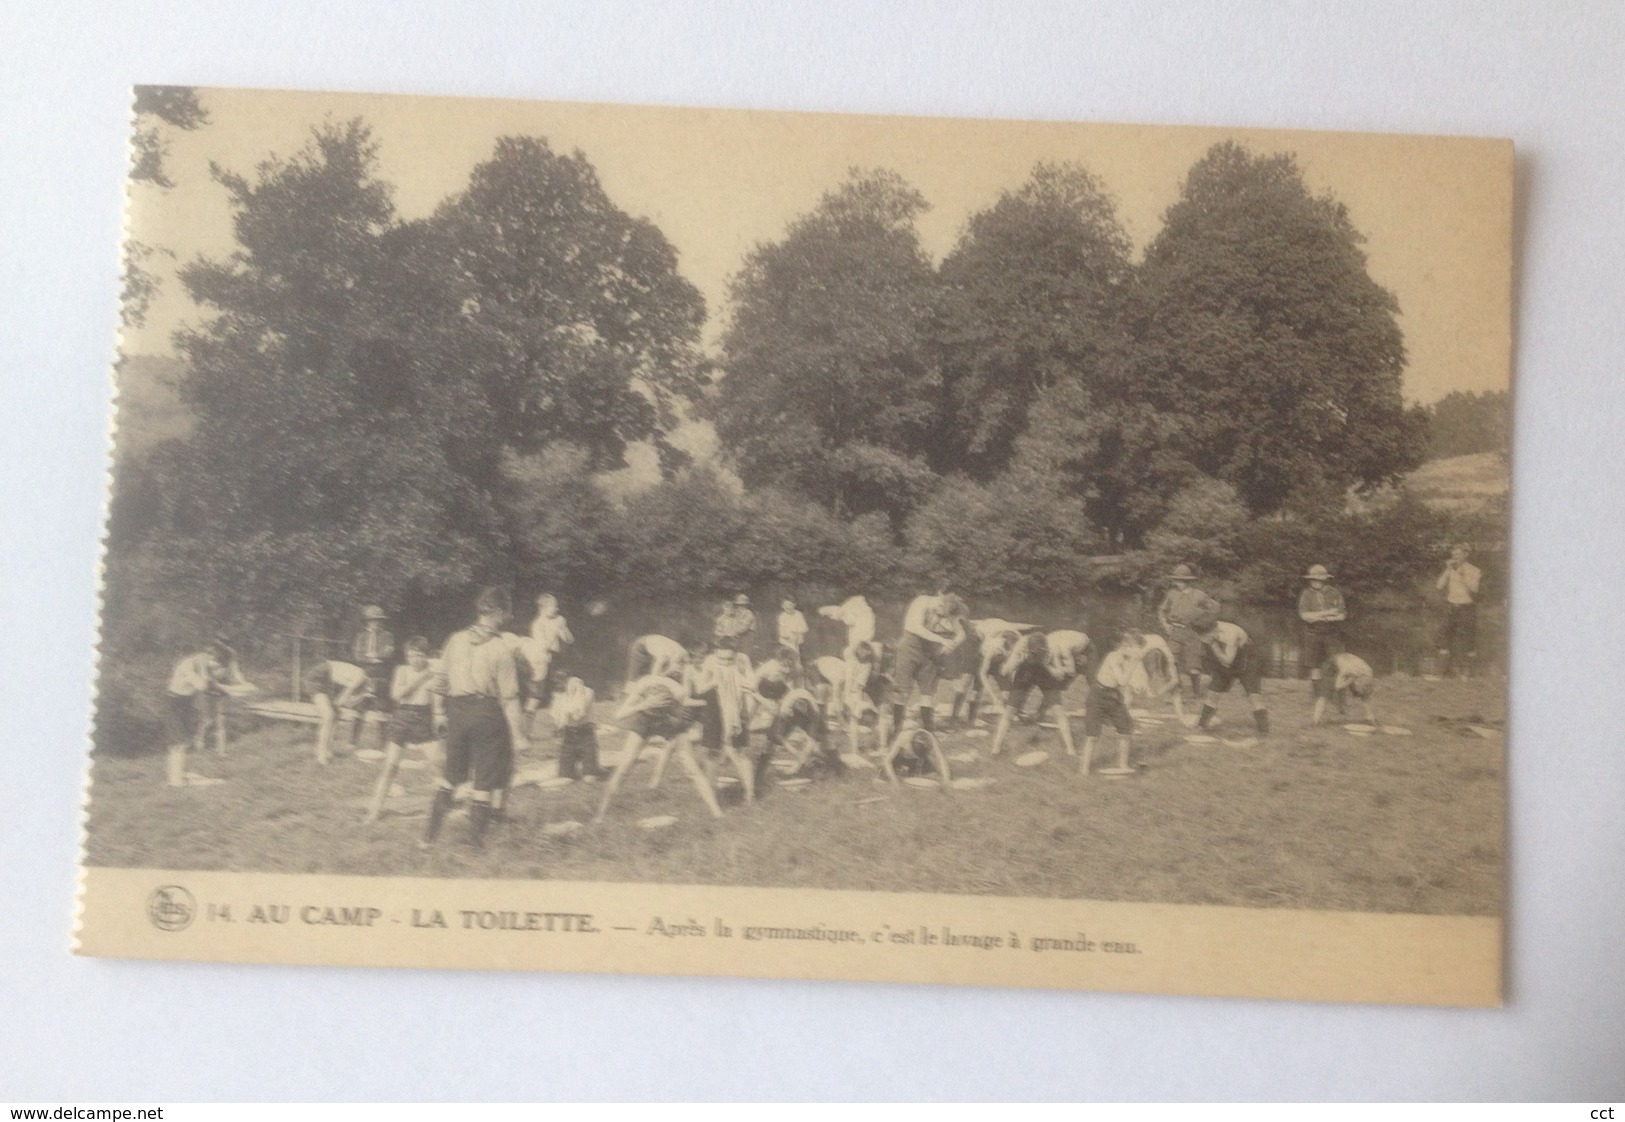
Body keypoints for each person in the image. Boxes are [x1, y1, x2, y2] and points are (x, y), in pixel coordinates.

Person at [423, 586, 529, 849]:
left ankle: (426, 840)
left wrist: (438, 713)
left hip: (456, 712)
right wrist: (518, 736)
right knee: (483, 783)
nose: (506, 618)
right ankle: (474, 847)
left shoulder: (455, 640)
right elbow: (509, 699)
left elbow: (440, 681)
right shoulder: (501, 649)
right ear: (498, 612)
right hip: (486, 714)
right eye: (504, 613)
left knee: (450, 778)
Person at [593, 662, 719, 823]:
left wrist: (678, 725)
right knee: (624, 768)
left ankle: (716, 811)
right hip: (644, 721)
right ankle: (600, 815)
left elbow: (681, 716)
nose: (677, 670)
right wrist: (644, 704)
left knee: (692, 768)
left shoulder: (677, 691)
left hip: (667, 720)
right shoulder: (645, 683)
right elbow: (620, 714)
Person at [365, 637, 442, 823]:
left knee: (440, 764)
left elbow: (437, 702)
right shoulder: (402, 670)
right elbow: (396, 695)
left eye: (419, 655)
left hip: (423, 718)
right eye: (410, 655)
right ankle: (374, 811)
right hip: (403, 717)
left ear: (426, 656)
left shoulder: (434, 672)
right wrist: (421, 679)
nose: (414, 659)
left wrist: (439, 717)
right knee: (390, 766)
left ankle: (446, 805)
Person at [163, 637, 252, 786]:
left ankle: (176, 776)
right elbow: (202, 686)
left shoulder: (203, 664)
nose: (215, 669)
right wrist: (208, 673)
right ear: (208, 656)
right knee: (180, 742)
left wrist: (234, 689)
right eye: (214, 664)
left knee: (182, 742)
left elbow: (215, 684)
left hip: (185, 703)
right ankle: (176, 781)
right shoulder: (189, 665)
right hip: (173, 703)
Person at [885, 590, 966, 752]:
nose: (940, 615)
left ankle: (929, 733)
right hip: (909, 647)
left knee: (928, 694)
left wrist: (951, 646)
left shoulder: (948, 610)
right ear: (940, 600)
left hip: (929, 652)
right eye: (940, 611)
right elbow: (914, 627)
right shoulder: (922, 601)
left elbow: (961, 634)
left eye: (944, 615)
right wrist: (942, 639)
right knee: (902, 691)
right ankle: (896, 731)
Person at [988, 630, 1085, 759]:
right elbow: (1004, 671)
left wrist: (1047, 666)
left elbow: (1060, 675)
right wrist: (1018, 661)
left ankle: (1070, 749)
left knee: (1058, 710)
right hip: (1025, 671)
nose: (1036, 656)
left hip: (1044, 672)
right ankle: (996, 749)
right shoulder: (1021, 647)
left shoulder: (1051, 648)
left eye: (1039, 654)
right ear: (1029, 649)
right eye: (1034, 654)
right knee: (1009, 711)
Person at [1079, 631, 1150, 777]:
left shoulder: (1130, 658)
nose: (1139, 653)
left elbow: (1136, 678)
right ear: (1126, 646)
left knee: (1126, 729)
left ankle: (1123, 764)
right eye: (1137, 649)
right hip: (1098, 695)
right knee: (1092, 735)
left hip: (1114, 696)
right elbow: (1122, 681)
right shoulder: (1114, 657)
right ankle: (1084, 770)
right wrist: (1134, 663)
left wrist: (1139, 686)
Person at [1157, 564, 1222, 711]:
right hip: (1175, 633)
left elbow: (1215, 608)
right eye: (1176, 580)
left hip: (1192, 633)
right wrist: (1165, 624)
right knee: (1170, 662)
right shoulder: (1171, 594)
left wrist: (1203, 620)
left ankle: (1196, 695)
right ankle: (1173, 691)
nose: (1177, 583)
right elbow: (1161, 610)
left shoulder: (1199, 595)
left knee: (1194, 667)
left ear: (1187, 581)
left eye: (1180, 580)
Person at [1197, 620, 1270, 737]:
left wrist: (1213, 644)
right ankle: (1201, 726)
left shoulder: (1230, 632)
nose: (1204, 640)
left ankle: (1264, 731)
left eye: (1206, 637)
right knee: (1212, 694)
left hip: (1246, 659)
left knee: (1254, 696)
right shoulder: (1208, 629)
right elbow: (1208, 654)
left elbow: (1227, 661)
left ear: (1214, 630)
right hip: (1224, 658)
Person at [302, 658, 373, 765]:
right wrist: (361, 695)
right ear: (369, 682)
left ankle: (327, 750)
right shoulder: (360, 676)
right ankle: (321, 753)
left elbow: (349, 704)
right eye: (369, 689)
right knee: (329, 716)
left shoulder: (362, 685)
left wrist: (363, 695)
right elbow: (343, 698)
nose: (369, 690)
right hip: (317, 677)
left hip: (327, 680)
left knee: (335, 714)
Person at [548, 667, 608, 780]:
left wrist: (576, 692)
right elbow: (559, 719)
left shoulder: (587, 692)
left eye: (562, 682)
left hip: (586, 735)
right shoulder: (560, 694)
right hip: (569, 737)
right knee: (564, 777)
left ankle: (594, 768)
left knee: (589, 779)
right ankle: (593, 767)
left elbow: (577, 715)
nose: (560, 686)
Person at [1297, 564, 1348, 699]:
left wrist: (1318, 616)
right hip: (1312, 634)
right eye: (1312, 579)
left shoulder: (1334, 593)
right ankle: (1318, 696)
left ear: (1325, 580)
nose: (1315, 582)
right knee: (1315, 666)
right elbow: (1305, 616)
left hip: (1332, 635)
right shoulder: (1307, 594)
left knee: (1337, 664)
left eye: (1318, 579)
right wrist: (1328, 613)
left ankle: (1340, 697)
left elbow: (1341, 615)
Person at [1435, 544, 1483, 678]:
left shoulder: (1474, 570)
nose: (1455, 557)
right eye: (1453, 555)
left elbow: (1474, 589)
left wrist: (1462, 574)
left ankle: (1469, 674)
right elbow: (1439, 586)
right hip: (1451, 607)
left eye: (1458, 555)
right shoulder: (1450, 569)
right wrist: (1447, 570)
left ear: (1466, 555)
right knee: (1444, 638)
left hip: (1466, 608)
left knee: (1468, 640)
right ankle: (1443, 673)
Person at [522, 593, 573, 709]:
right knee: (536, 693)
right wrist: (555, 630)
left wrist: (563, 627)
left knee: (560, 690)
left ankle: (561, 720)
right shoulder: (537, 624)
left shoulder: (558, 620)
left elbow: (569, 640)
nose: (556, 609)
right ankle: (529, 712)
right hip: (542, 660)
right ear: (543, 608)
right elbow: (543, 647)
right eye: (553, 606)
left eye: (556, 606)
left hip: (557, 658)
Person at [1311, 652, 1379, 728]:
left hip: (1350, 668)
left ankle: (1370, 718)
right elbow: (1338, 686)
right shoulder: (1347, 669)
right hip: (1333, 666)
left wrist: (1358, 687)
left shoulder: (1369, 673)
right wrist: (1348, 682)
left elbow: (1365, 692)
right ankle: (1315, 721)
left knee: (1364, 694)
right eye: (1359, 685)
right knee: (1325, 694)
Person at [351, 606, 396, 710]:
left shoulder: (387, 635)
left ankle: (380, 718)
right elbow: (357, 656)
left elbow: (388, 652)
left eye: (378, 621)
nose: (376, 624)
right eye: (372, 621)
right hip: (364, 670)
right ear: (367, 622)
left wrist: (374, 655)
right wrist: (370, 659)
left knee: (381, 703)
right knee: (360, 703)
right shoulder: (361, 636)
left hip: (381, 671)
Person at [624, 633, 692, 689]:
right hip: (641, 647)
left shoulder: (680, 652)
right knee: (634, 678)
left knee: (648, 678)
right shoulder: (668, 656)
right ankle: (626, 697)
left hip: (651, 646)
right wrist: (662, 674)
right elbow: (655, 675)